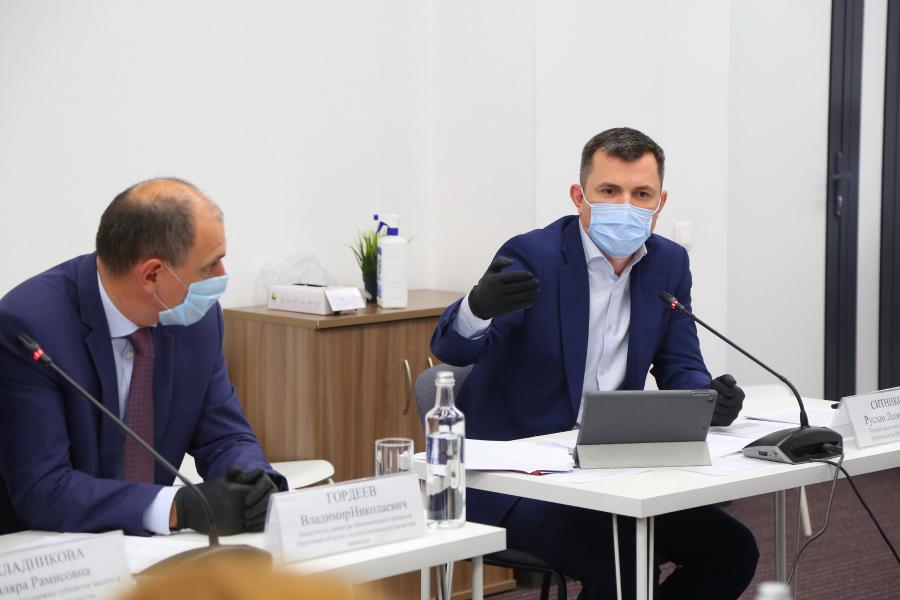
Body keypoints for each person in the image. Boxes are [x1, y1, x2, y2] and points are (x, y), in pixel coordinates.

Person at [431, 128, 758, 599]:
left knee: (731, 549)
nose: (625, 205)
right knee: (624, 566)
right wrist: (476, 308)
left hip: (611, 469)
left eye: (640, 194)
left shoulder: (668, 263)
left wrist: (708, 398)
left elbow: (680, 363)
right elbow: (454, 349)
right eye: (609, 191)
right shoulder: (534, 255)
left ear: (660, 202)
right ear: (578, 196)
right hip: (513, 476)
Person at [0, 178, 284, 537]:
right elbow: (45, 491)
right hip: (55, 552)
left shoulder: (197, 320)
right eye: (210, 265)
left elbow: (225, 437)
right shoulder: (28, 328)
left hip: (155, 552)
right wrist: (179, 508)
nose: (222, 277)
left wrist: (255, 483)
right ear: (151, 275)